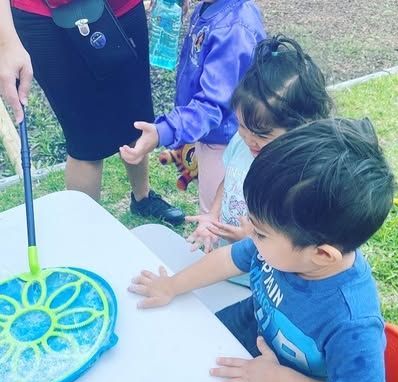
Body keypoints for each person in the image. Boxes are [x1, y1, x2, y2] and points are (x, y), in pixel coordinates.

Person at [128, 118, 394, 382]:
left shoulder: (352, 324)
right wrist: (171, 285)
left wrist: (272, 380)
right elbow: (228, 259)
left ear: (321, 255)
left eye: (260, 233)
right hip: (252, 327)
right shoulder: (283, 246)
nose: (248, 233)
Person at [0, 0, 187, 225]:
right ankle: (87, 231)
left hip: (122, 7)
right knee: (85, 138)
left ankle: (143, 198)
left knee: (136, 116)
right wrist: (6, 42)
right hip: (46, 17)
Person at [185, 34, 334, 259]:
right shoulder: (241, 142)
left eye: (262, 134)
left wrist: (252, 239)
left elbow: (291, 244)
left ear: (300, 128)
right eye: (242, 126)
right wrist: (212, 215)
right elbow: (228, 181)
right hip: (226, 258)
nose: (248, 139)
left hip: (260, 271)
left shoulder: (296, 175)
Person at [120, 0, 266, 214]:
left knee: (217, 215)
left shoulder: (235, 29)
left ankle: (217, 248)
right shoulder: (207, 9)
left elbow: (213, 104)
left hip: (226, 143)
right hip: (209, 135)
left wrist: (164, 131)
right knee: (212, 207)